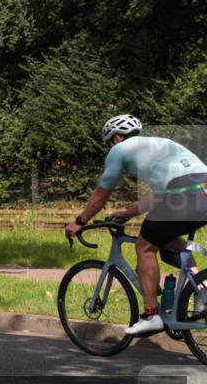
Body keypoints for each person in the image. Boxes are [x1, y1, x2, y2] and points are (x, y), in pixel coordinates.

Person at [64, 115, 207, 335]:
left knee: (144, 247)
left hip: (183, 194)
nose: (110, 147)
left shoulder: (119, 150)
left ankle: (151, 315)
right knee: (170, 240)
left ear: (117, 137)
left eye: (110, 142)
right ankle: (202, 291)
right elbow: (159, 196)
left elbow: (102, 192)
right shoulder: (162, 145)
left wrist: (79, 222)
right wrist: (128, 214)